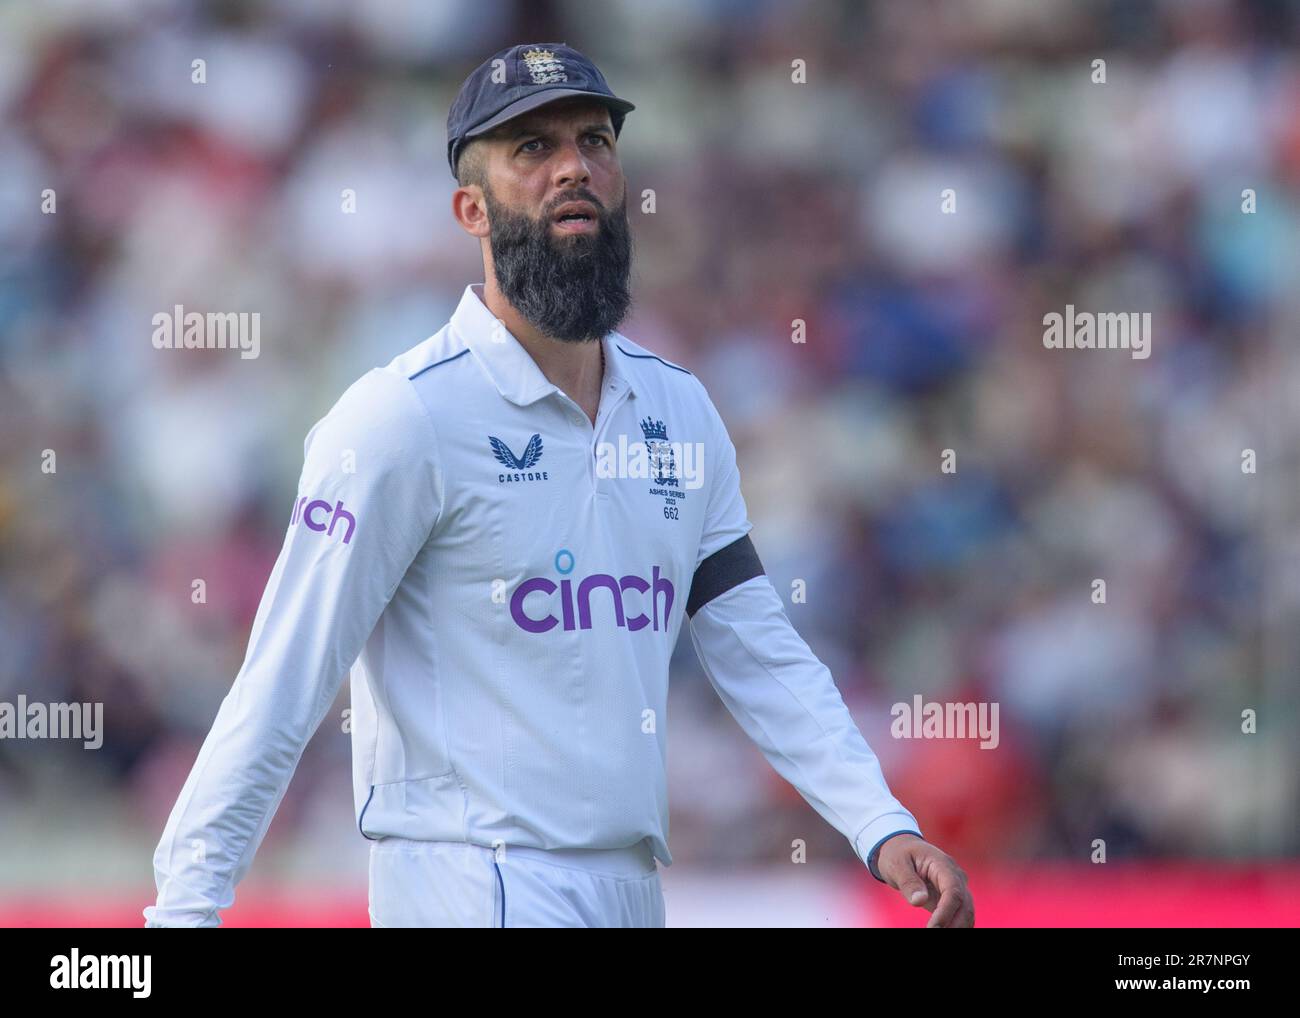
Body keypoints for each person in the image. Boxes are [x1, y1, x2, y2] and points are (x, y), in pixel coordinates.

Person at [143, 42, 973, 929]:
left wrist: (878, 823)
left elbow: (755, 648)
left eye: (593, 140)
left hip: (630, 886)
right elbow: (283, 682)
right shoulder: (400, 419)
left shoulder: (679, 410)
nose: (573, 165)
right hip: (466, 883)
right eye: (531, 149)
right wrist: (184, 915)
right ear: (472, 208)